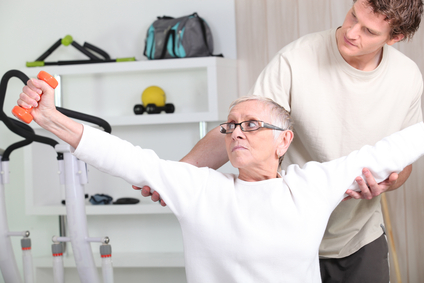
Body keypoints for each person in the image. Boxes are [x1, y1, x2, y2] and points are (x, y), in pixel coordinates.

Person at [17, 81, 424, 282]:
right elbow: (127, 158)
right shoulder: (200, 188)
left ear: (285, 140)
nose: (238, 133)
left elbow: (386, 152)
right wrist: (51, 119)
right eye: (230, 127)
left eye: (251, 124)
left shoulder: (310, 185)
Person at [139, 0, 424, 281]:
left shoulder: (407, 77)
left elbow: (405, 160)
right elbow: (244, 127)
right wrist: (176, 174)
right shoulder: (297, 57)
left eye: (369, 31)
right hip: (285, 234)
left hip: (359, 235)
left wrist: (391, 181)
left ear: (394, 37)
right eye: (352, 16)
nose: (351, 32)